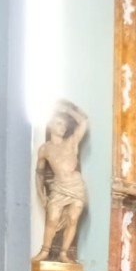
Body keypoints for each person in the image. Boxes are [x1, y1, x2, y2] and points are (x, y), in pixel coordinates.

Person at [33, 100, 88, 262]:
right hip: (59, 188)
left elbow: (83, 122)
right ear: (50, 126)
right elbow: (39, 174)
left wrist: (67, 110)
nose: (62, 127)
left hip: (76, 187)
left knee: (72, 218)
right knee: (52, 218)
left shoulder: (71, 142)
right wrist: (41, 194)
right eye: (58, 124)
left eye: (64, 125)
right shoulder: (45, 148)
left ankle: (63, 253)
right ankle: (44, 251)